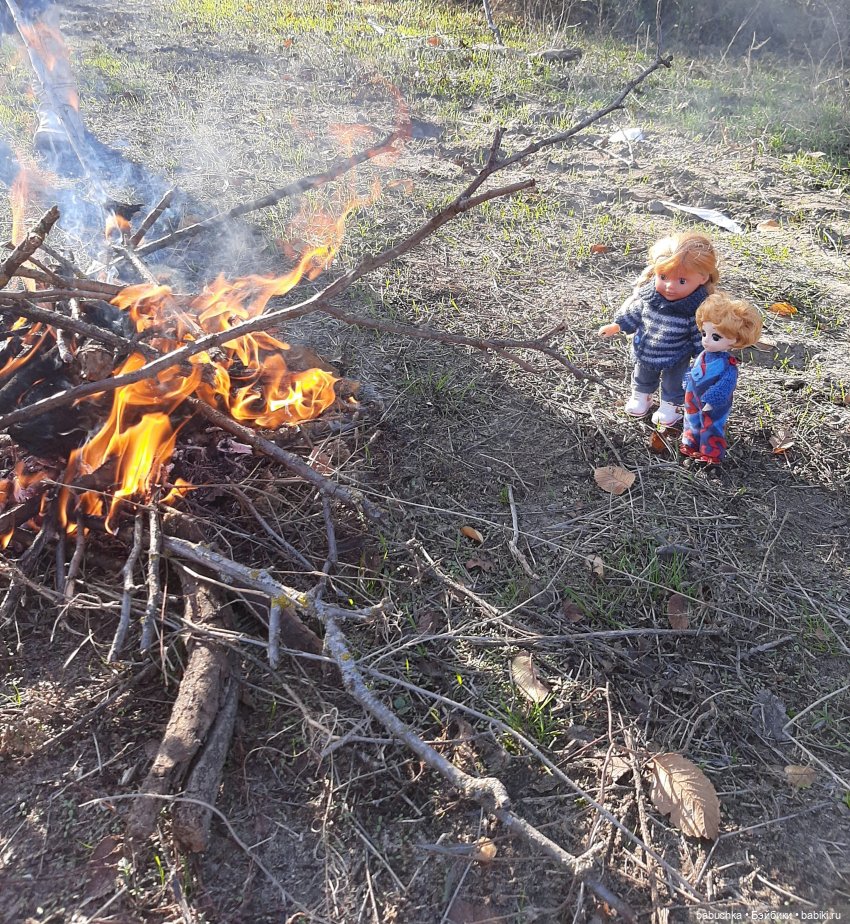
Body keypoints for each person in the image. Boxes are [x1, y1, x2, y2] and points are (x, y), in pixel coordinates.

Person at [598, 232, 719, 427]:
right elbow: (635, 312)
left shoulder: (695, 310)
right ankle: (642, 396)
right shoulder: (650, 297)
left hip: (677, 355)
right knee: (642, 374)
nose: (670, 286)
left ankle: (671, 406)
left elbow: (699, 335)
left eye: (681, 281)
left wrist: (703, 357)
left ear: (703, 278)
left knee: (674, 382)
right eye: (663, 277)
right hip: (646, 347)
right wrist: (617, 325)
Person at [680, 293, 762, 465]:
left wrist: (713, 399)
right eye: (704, 333)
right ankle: (690, 442)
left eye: (716, 337)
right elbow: (694, 369)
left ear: (736, 340)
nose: (706, 341)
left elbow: (726, 385)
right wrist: (686, 382)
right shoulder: (703, 354)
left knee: (711, 424)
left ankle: (711, 453)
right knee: (691, 419)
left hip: (713, 402)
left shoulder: (728, 365)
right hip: (693, 397)